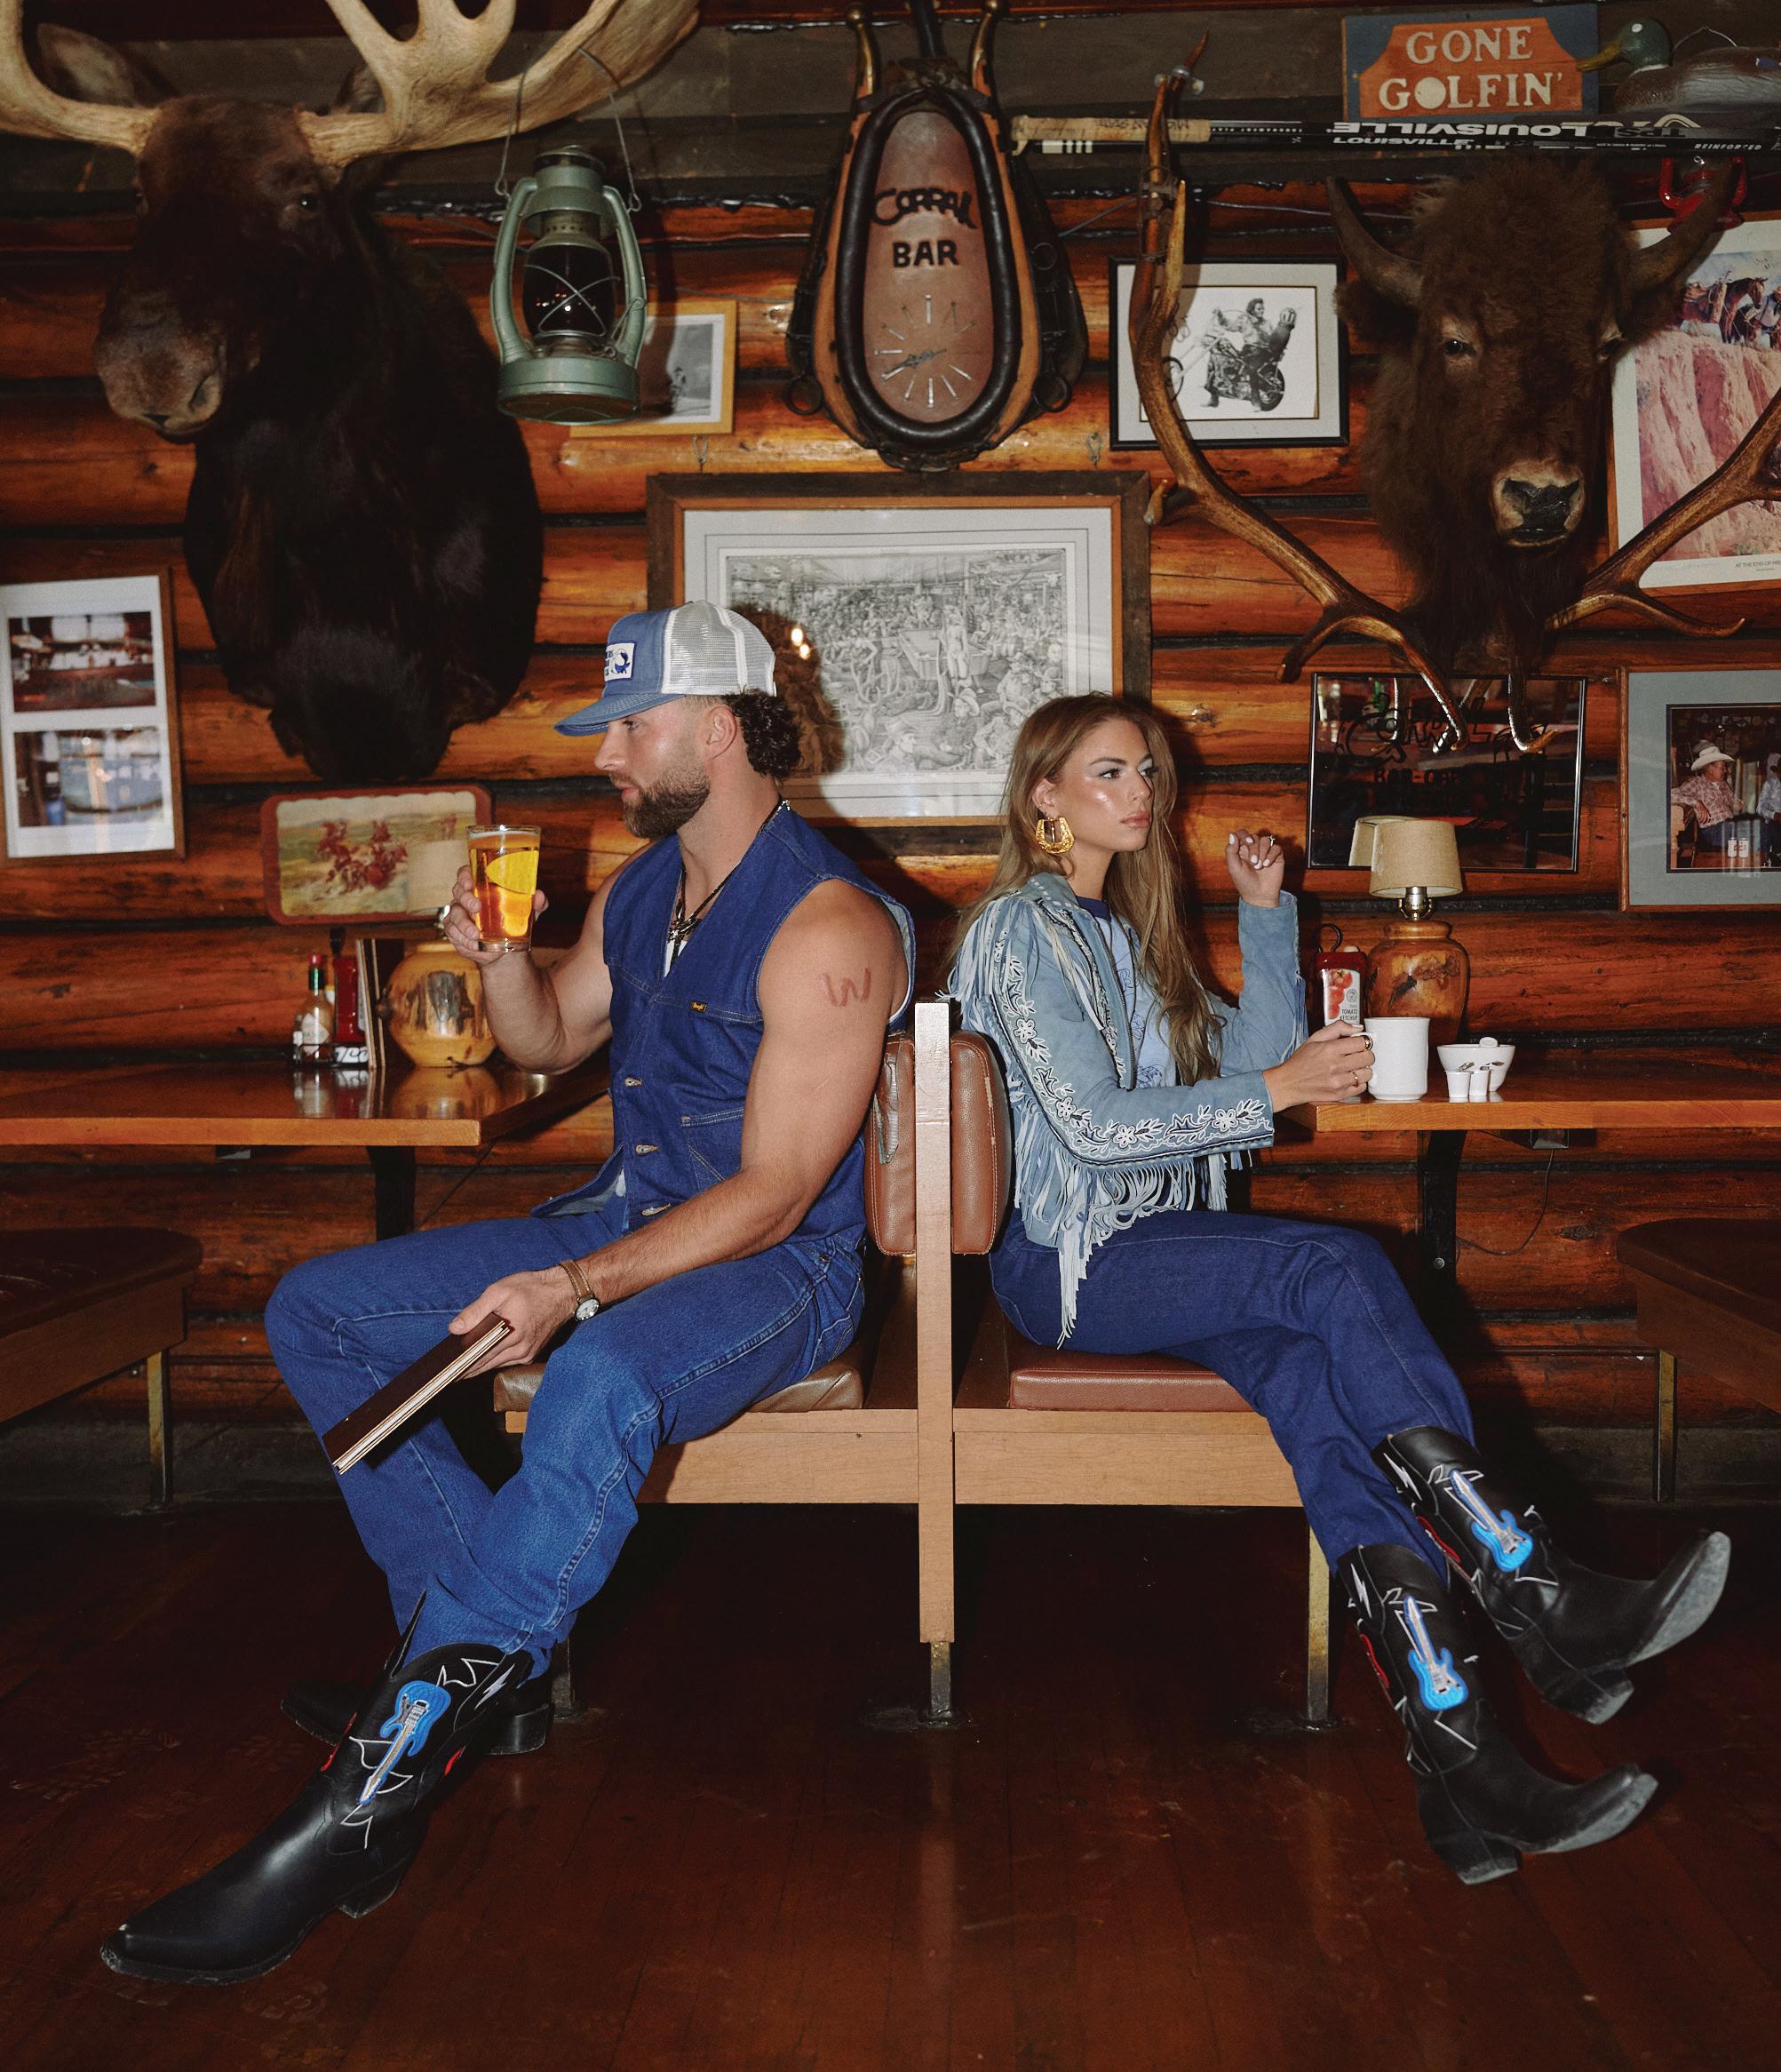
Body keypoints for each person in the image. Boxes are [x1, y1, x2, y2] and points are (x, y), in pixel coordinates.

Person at [101, 601, 914, 1984]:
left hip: (779, 1272)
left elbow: (778, 1192)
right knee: (318, 1310)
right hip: (619, 1223)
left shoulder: (828, 924)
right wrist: (497, 961)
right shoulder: (646, 891)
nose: (605, 756)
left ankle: (373, 1792)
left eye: (629, 728)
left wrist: (572, 1287)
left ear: (717, 728)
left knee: (595, 1377)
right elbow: (548, 1040)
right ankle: (475, 1659)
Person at [949, 694, 1729, 1885]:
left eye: (1147, 771)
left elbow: (1259, 1058)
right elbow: (1098, 1130)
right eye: (1109, 771)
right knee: (1336, 1266)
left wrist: (1266, 917)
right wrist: (1276, 1087)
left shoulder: (1126, 936)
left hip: (1161, 1248)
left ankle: (1461, 1763)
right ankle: (1531, 1584)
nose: (1141, 790)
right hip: (1074, 1262)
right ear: (1042, 796)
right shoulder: (1020, 931)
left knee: (1317, 1378)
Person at [1671, 742, 1740, 864]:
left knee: (1761, 829)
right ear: (1710, 768)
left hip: (1730, 825)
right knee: (1757, 831)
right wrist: (1697, 803)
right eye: (1722, 767)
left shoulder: (1723, 784)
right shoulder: (1697, 783)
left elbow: (1736, 802)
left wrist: (1738, 803)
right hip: (1714, 830)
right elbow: (1672, 794)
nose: (1726, 771)